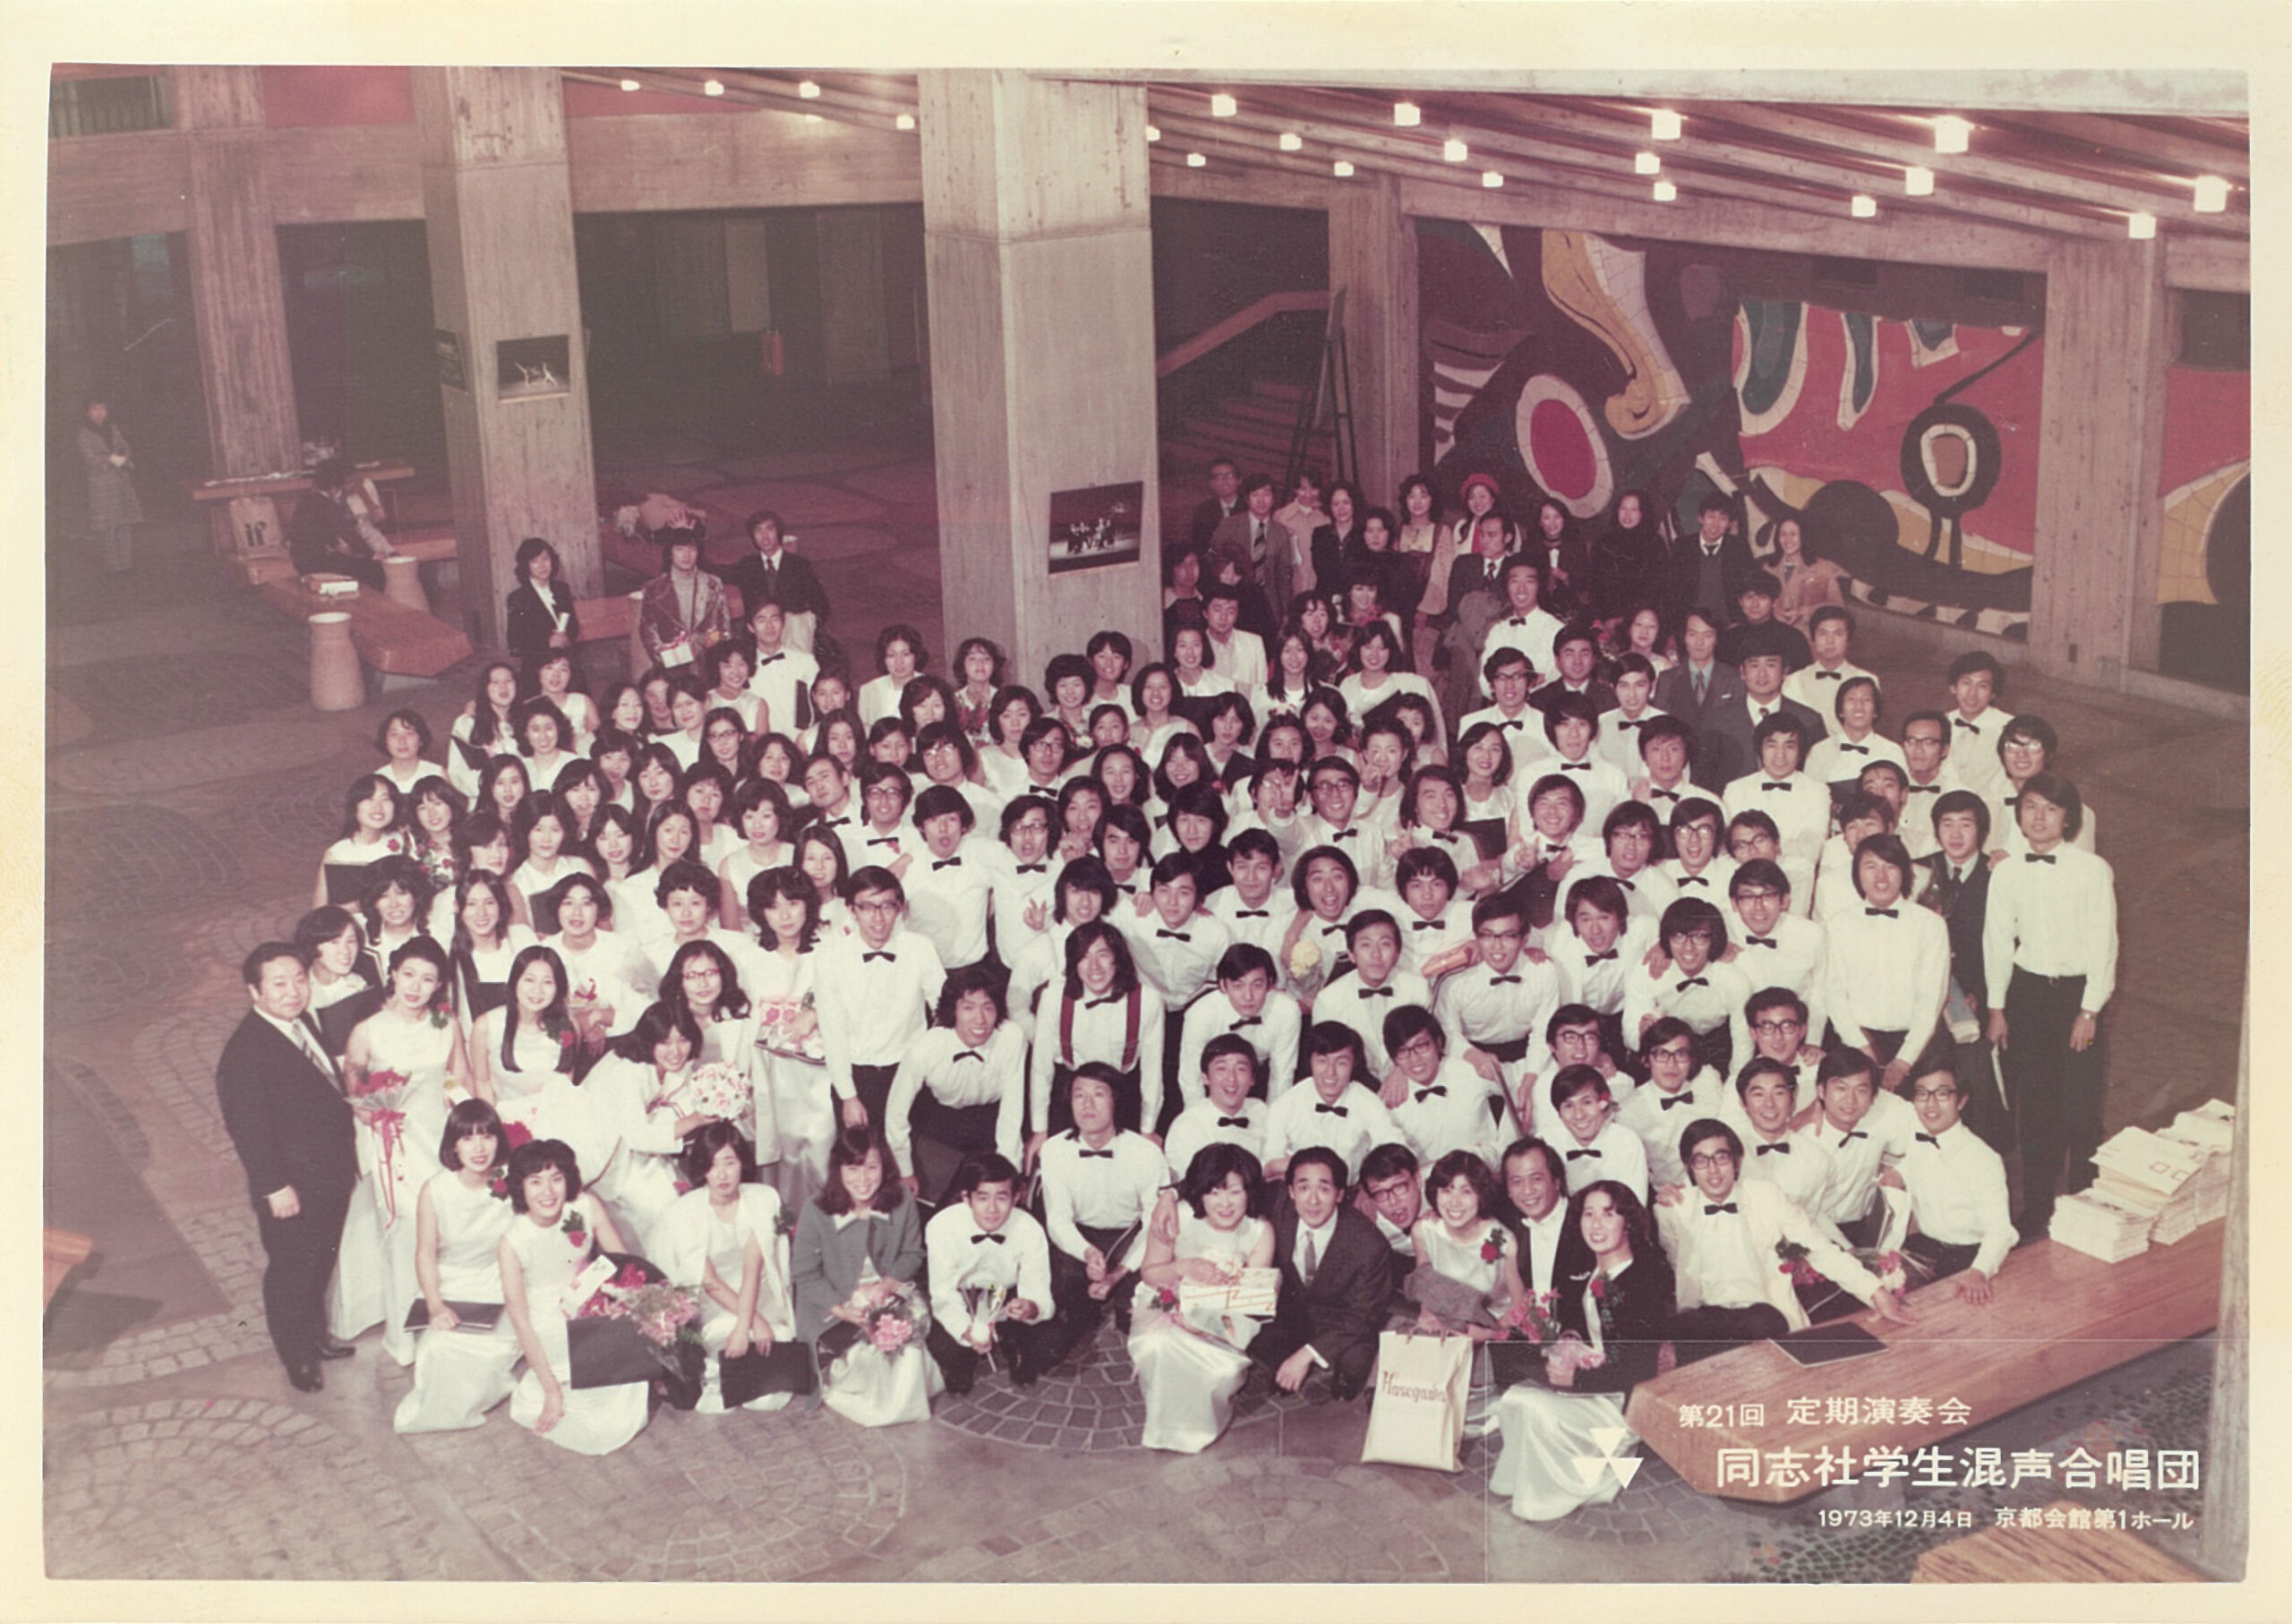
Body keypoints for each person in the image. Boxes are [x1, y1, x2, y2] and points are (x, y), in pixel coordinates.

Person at [216, 944, 360, 1392]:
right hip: (291, 1187)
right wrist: (274, 1187)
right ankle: (297, 1358)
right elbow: (249, 1132)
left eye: (299, 979)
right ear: (254, 991)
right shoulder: (245, 1054)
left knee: (320, 1260)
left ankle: (316, 1338)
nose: (293, 991)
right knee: (292, 1270)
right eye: (279, 984)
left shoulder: (301, 1023)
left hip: (328, 1174)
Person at [1487, 1180, 1676, 1522]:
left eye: (1608, 1214)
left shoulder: (1644, 1279)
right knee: (1514, 1399)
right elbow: (1578, 1320)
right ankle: (1524, 1480)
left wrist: (1577, 1379)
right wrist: (1569, 1340)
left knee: (1535, 1407)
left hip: (1620, 1399)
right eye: (1588, 1214)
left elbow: (1640, 1366)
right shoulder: (1587, 1270)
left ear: (1628, 1222)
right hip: (1592, 1379)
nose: (1596, 1224)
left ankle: (1558, 1491)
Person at [1981, 773, 2117, 1240]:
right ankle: (2037, 1207)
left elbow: (2104, 945)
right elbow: (1997, 941)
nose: (2039, 818)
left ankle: (2084, 1202)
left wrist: (2089, 1011)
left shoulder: (2093, 870)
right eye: (2031, 807)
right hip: (2028, 997)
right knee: (2036, 1108)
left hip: (2077, 998)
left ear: (2069, 819)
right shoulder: (2007, 872)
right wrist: (1997, 1008)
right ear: (2019, 815)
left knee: (2080, 1108)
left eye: (2051, 809)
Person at [1655, 1118, 1911, 1363]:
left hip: (1764, 1316)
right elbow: (1678, 1266)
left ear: (1736, 1161)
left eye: (1721, 1157)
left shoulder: (1767, 1196)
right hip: (1707, 1320)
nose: (1713, 1169)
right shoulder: (1673, 1209)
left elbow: (1821, 1250)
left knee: (1761, 1324)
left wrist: (1876, 1293)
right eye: (1701, 1160)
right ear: (1689, 1166)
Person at [340, 937, 469, 1365]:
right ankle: (401, 1334)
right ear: (393, 974)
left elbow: (460, 1081)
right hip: (392, 1145)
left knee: (443, 1230)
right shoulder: (368, 1030)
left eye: (428, 979)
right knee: (405, 1233)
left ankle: (440, 1317)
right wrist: (375, 1111)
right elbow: (356, 1091)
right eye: (409, 974)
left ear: (439, 985)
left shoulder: (446, 1025)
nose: (416, 987)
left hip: (437, 1138)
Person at [497, 1137, 651, 1454]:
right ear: (521, 1187)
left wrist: (619, 1301)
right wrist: (551, 1393)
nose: (548, 1191)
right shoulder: (513, 1241)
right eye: (535, 1181)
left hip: (590, 1298)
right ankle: (557, 1385)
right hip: (546, 1320)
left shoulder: (586, 1206)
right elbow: (520, 1320)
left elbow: (624, 1264)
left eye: (556, 1179)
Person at [1129, 1142, 1279, 1452]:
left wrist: (1208, 1323)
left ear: (1249, 1192)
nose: (1225, 1203)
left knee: (1219, 1368)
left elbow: (1251, 1297)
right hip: (1167, 1297)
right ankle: (1163, 1428)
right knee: (1160, 1345)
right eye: (1214, 1192)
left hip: (1226, 1315)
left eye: (1234, 1192)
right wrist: (1183, 1267)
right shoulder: (1178, 1217)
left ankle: (1203, 1424)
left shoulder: (1259, 1231)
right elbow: (1150, 1274)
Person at [392, 1098, 521, 1434]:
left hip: (499, 1284)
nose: (479, 1148)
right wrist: (436, 1306)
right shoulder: (435, 1191)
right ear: (454, 1145)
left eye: (487, 1136)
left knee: (490, 1353)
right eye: (468, 1138)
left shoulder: (511, 1180)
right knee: (438, 1351)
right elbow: (424, 1254)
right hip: (451, 1284)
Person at [791, 1126, 936, 1425]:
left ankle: (902, 1405)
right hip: (835, 1307)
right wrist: (841, 1308)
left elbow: (913, 1254)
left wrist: (888, 1285)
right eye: (853, 1168)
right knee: (868, 1360)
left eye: (872, 1167)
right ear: (838, 1169)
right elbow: (804, 1274)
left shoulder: (902, 1200)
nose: (863, 1179)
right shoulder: (816, 1209)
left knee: (905, 1349)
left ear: (885, 1166)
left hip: (889, 1295)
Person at [656, 1123, 800, 1412]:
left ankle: (749, 1380)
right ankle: (721, 1377)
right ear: (702, 1168)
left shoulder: (763, 1199)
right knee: (725, 1331)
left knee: (776, 1342)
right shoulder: (686, 1211)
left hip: (758, 1292)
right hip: (714, 1298)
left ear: (743, 1163)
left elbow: (752, 1270)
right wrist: (751, 1323)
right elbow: (709, 1281)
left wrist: (751, 1321)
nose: (721, 1174)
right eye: (712, 1165)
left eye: (730, 1162)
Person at [814, 867, 946, 1134]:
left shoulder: (920, 948)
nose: (878, 917)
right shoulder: (830, 958)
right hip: (856, 1075)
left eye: (887, 906)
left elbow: (944, 1009)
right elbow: (832, 1032)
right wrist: (848, 1096)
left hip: (909, 1070)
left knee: (908, 1153)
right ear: (852, 910)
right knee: (859, 1156)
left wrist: (928, 1061)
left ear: (899, 908)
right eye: (867, 907)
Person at [1249, 1148, 1390, 1400]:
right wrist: (1172, 1196)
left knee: (1351, 1372)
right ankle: (1300, 1358)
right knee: (1260, 1347)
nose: (1312, 1200)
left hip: (1343, 1317)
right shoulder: (1278, 1205)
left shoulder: (1370, 1244)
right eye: (1303, 1188)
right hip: (1295, 1312)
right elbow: (1225, 1181)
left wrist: (1307, 1355)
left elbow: (1363, 1314)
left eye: (1324, 1189)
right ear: (1291, 1191)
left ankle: (1317, 1357)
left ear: (1339, 1194)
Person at [884, 966, 1028, 1204]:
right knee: (942, 1197)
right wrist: (905, 1169)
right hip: (941, 1120)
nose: (980, 1019)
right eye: (968, 1008)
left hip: (991, 1120)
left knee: (989, 1194)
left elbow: (1011, 1112)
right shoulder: (925, 1048)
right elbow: (895, 1114)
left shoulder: (1011, 1037)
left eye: (988, 1007)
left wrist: (1010, 1175)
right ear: (953, 1010)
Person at [1881, 1061, 2015, 1303]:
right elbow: (1910, 1163)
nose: (1930, 1104)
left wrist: (1979, 1272)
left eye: (1942, 1094)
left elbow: (2000, 1230)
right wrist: (1897, 1175)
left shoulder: (1983, 1159)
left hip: (1970, 1255)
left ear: (1961, 1101)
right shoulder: (1919, 1136)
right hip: (1925, 1247)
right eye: (1922, 1094)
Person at [923, 1153, 1056, 1393]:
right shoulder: (941, 1226)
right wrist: (967, 1331)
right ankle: (964, 1361)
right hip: (962, 1296)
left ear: (1016, 1198)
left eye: (1002, 1197)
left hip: (1007, 1296)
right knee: (943, 1347)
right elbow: (943, 1292)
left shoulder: (1029, 1228)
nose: (992, 1209)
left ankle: (1011, 1340)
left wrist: (1030, 1307)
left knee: (1048, 1347)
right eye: (983, 1198)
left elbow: (1037, 1286)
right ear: (967, 1198)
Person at [722, 509, 829, 653]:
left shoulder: (799, 565)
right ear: (752, 536)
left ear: (779, 532)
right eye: (758, 531)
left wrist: (804, 627)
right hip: (757, 645)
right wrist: (694, 534)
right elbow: (713, 569)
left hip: (792, 643)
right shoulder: (747, 565)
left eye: (769, 529)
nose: (764, 536)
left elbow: (821, 606)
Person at [637, 524, 731, 671]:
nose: (686, 555)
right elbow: (648, 630)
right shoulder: (653, 589)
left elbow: (724, 629)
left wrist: (707, 642)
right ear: (670, 553)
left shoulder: (713, 584)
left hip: (708, 664)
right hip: (671, 665)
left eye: (692, 549)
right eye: (680, 549)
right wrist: (663, 654)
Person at [287, 455, 389, 590]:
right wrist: (372, 554)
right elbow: (348, 534)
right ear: (334, 487)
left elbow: (320, 532)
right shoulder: (326, 504)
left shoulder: (305, 500)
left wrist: (338, 547)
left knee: (353, 561)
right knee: (374, 570)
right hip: (316, 564)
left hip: (302, 561)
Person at [1663, 491, 1759, 627]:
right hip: (1691, 626)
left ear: (1729, 524)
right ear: (1700, 518)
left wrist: (1739, 622)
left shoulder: (1739, 548)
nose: (1715, 524)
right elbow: (1671, 591)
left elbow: (1749, 588)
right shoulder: (1682, 547)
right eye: (1711, 516)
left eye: (1722, 518)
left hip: (1730, 624)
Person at [75, 397, 144, 575]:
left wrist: (123, 458)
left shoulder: (113, 428)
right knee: (108, 527)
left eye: (102, 409)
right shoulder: (84, 433)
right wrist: (113, 459)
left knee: (124, 523)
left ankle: (127, 566)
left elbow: (124, 448)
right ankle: (114, 568)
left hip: (121, 482)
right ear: (87, 412)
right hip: (101, 485)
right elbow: (91, 458)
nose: (99, 413)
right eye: (95, 409)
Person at [1763, 517, 1847, 631]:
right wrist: (1774, 611)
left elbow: (1838, 605)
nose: (1788, 540)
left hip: (1809, 633)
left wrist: (1805, 612)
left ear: (1803, 536)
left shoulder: (1823, 568)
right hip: (1776, 631)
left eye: (1793, 534)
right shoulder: (1768, 568)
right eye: (1783, 534)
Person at [504, 536, 581, 655]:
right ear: (526, 565)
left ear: (552, 561)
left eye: (545, 559)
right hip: (538, 660)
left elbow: (573, 626)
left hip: (566, 656)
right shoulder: (517, 598)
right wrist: (547, 644)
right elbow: (515, 645)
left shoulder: (562, 589)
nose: (542, 566)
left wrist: (567, 639)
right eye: (534, 561)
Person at [1191, 457, 1243, 551]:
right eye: (1218, 477)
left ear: (1239, 480)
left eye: (1229, 476)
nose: (1224, 481)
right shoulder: (1203, 512)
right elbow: (1200, 545)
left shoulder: (1250, 507)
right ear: (1211, 484)